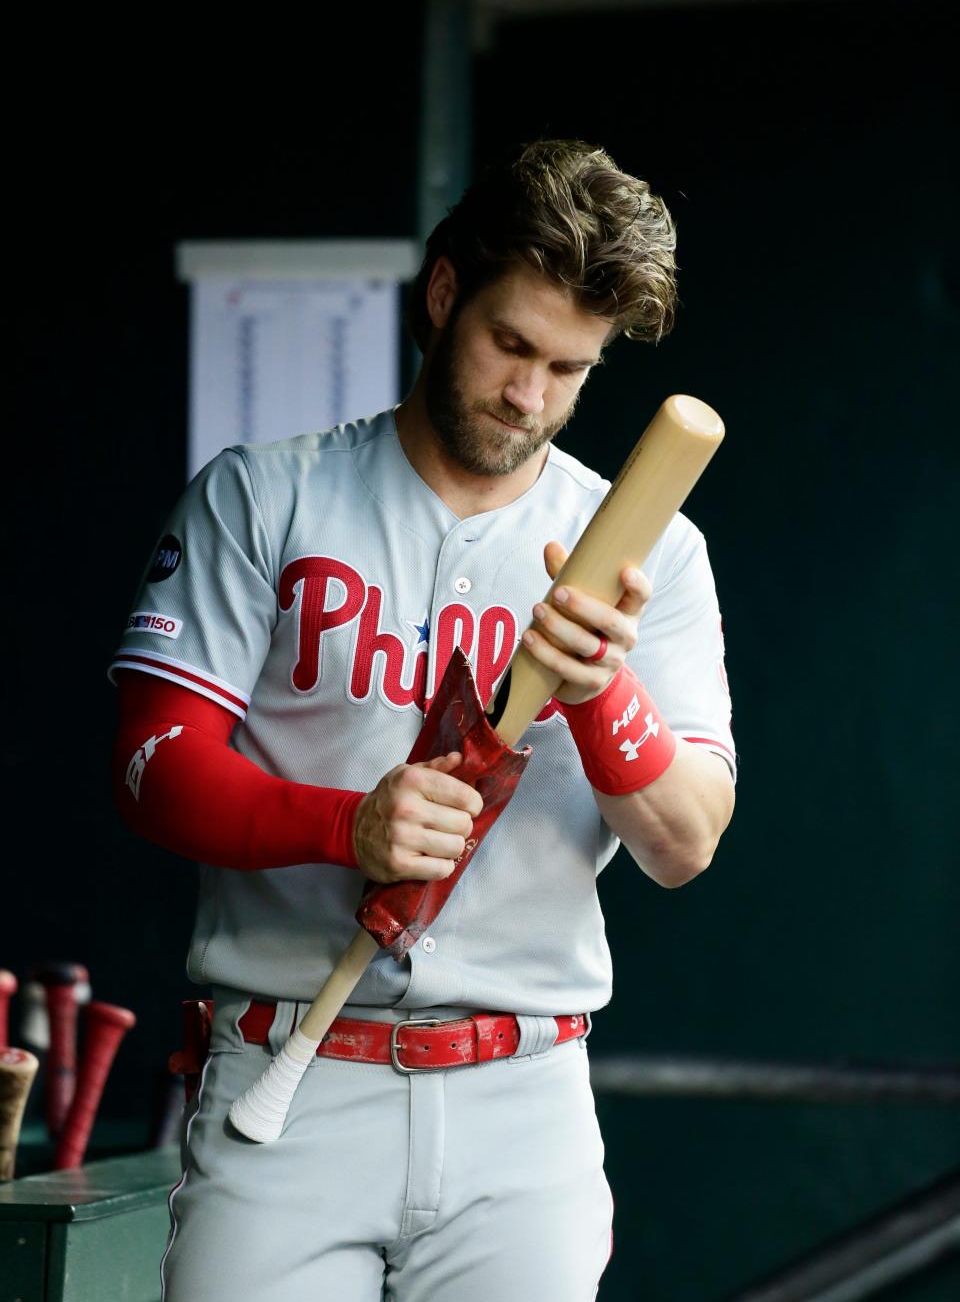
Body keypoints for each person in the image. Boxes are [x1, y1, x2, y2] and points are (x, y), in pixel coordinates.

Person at [111, 139, 736, 1301]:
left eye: (569, 368)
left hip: (525, 1098)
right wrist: (347, 826)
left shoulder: (651, 547)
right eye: (511, 344)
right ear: (445, 293)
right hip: (291, 1074)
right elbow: (151, 766)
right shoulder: (265, 494)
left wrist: (604, 696)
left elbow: (686, 842)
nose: (529, 396)